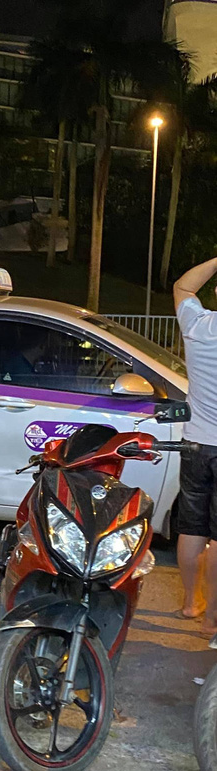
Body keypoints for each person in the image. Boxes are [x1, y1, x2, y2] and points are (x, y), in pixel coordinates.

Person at [173, 257, 217, 637]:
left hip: (196, 443)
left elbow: (183, 287)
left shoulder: (198, 326)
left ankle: (191, 602)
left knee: (192, 527)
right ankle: (211, 618)